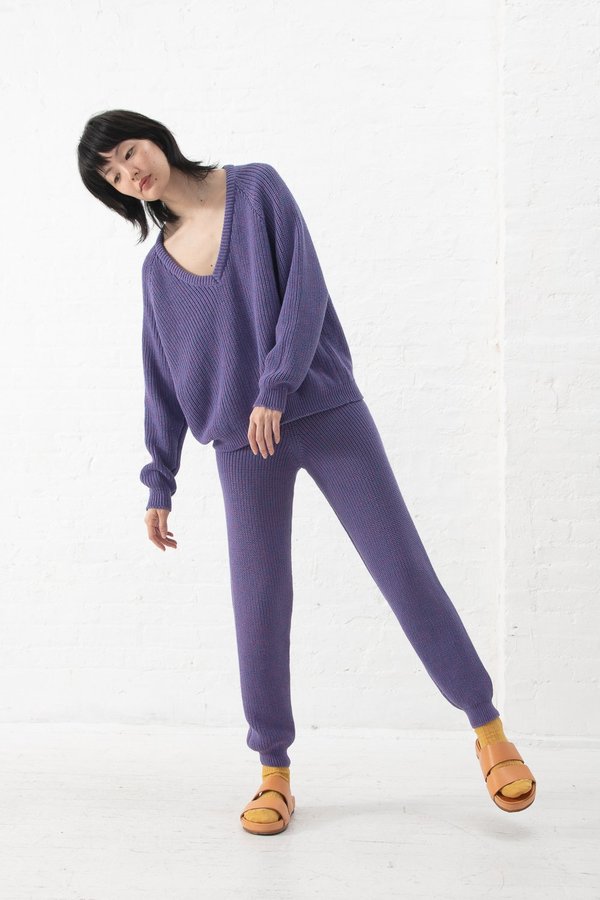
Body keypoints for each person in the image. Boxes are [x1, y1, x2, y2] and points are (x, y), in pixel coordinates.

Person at [77, 108, 536, 835]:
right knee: (259, 602)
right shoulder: (156, 272)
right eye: (111, 174)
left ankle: (488, 728)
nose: (130, 172)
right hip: (240, 444)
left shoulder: (256, 189)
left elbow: (305, 290)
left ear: (155, 138)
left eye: (129, 151)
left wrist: (275, 387)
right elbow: (159, 377)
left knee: (400, 566)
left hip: (322, 409)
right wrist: (159, 479)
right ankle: (274, 772)